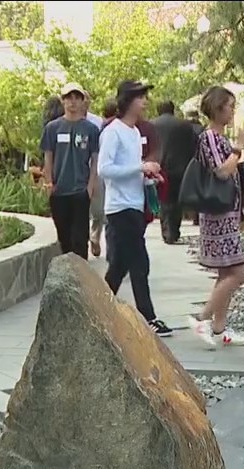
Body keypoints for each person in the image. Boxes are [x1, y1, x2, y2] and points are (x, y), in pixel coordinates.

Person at [97, 80, 172, 336]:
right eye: (141, 97)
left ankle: (96, 309)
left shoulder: (132, 132)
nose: (145, 102)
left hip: (135, 204)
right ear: (128, 101)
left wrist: (147, 175)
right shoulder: (112, 132)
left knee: (119, 264)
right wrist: (140, 167)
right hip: (120, 208)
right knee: (139, 262)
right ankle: (147, 316)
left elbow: (128, 168)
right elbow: (104, 169)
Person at [187, 87, 244, 348]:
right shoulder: (211, 137)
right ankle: (203, 317)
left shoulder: (217, 137)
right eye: (229, 106)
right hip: (219, 214)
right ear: (218, 108)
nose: (232, 111)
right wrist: (237, 154)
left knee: (226, 271)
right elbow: (222, 172)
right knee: (240, 271)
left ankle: (219, 326)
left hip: (226, 212)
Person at [40, 83, 99, 259]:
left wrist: (90, 186)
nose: (72, 102)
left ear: (83, 101)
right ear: (63, 101)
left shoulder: (91, 129)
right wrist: (49, 183)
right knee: (64, 238)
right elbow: (48, 156)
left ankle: (81, 279)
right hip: (59, 190)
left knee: (80, 238)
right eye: (68, 98)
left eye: (76, 98)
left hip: (80, 190)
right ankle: (68, 276)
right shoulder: (53, 128)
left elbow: (95, 159)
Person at [152, 100, 198, 244]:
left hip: (160, 167)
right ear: (173, 110)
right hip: (181, 168)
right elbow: (193, 146)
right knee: (177, 200)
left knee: (164, 199)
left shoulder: (152, 125)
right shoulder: (184, 125)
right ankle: (174, 230)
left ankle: (167, 230)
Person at [90, 99, 119, 257]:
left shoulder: (99, 126)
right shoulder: (115, 128)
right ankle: (110, 249)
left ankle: (95, 235)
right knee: (109, 212)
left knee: (98, 209)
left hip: (97, 171)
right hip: (110, 172)